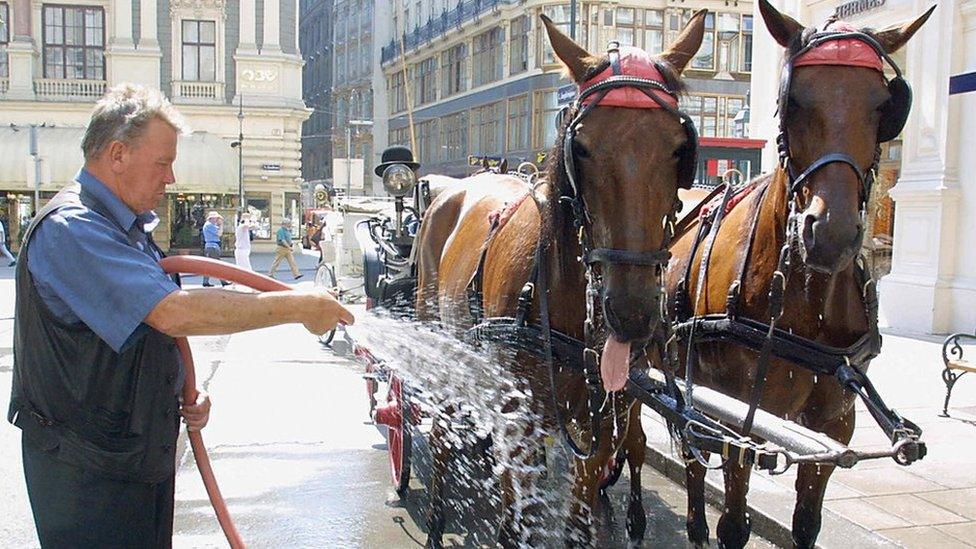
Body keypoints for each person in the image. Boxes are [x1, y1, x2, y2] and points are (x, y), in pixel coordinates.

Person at [8, 83, 353, 547]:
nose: (170, 178)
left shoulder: (123, 228)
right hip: (88, 472)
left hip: (128, 455)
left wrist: (180, 394)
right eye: (162, 162)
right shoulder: (74, 228)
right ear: (116, 154)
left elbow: (139, 333)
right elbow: (172, 314)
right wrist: (296, 305)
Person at [201, 211, 228, 286]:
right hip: (212, 246)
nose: (217, 220)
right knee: (218, 265)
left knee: (209, 265)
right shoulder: (209, 225)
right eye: (216, 218)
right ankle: (223, 281)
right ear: (211, 218)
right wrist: (221, 224)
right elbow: (219, 233)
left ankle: (206, 282)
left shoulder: (210, 225)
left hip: (212, 246)